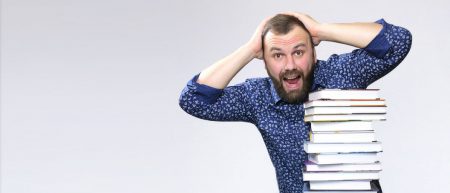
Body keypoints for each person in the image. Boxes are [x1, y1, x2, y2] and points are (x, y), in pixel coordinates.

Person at [179, 12, 412, 193]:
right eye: (277, 55)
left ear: (313, 53)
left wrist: (320, 29)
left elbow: (398, 41)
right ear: (265, 62)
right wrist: (249, 49)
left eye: (299, 52)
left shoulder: (342, 74)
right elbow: (193, 100)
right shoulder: (256, 98)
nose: (290, 65)